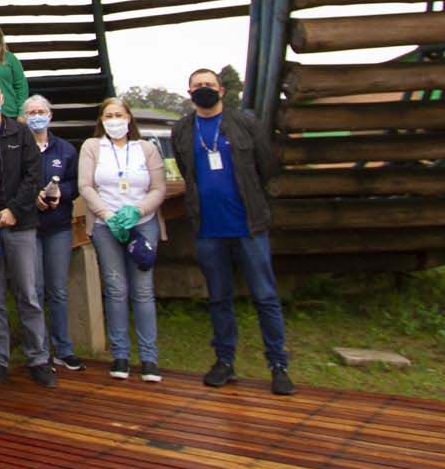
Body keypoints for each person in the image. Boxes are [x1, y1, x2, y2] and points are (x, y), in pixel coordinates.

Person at [171, 68, 293, 395]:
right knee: (219, 297)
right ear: (189, 92)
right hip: (209, 229)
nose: (203, 90)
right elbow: (187, 172)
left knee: (265, 296)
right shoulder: (183, 130)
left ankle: (278, 364)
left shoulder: (246, 124)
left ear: (221, 90)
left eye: (209, 85)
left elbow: (266, 166)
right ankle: (224, 361)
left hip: (247, 226)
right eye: (197, 86)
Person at [0, 77, 55, 388]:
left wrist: (15, 210)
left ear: (2, 99)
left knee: (28, 293)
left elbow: (34, 176)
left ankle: (39, 358)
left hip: (20, 221)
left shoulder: (20, 132)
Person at [79, 97, 166, 381]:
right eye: (108, 116)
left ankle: (149, 357)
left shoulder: (146, 149)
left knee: (142, 289)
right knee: (116, 288)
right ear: (101, 121)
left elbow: (158, 188)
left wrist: (137, 210)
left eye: (119, 114)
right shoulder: (92, 147)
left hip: (142, 223)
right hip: (107, 225)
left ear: (129, 119)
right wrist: (107, 214)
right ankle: (120, 354)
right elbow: (85, 185)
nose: (114, 120)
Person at [25, 94, 83, 372]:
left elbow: (76, 183)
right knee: (34, 290)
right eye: (32, 112)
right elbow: (11, 181)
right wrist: (30, 196)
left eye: (41, 111)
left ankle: (64, 348)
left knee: (58, 290)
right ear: (24, 118)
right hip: (29, 227)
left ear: (50, 115)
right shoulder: (20, 147)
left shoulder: (66, 150)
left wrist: (63, 192)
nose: (37, 116)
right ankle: (40, 350)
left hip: (58, 226)